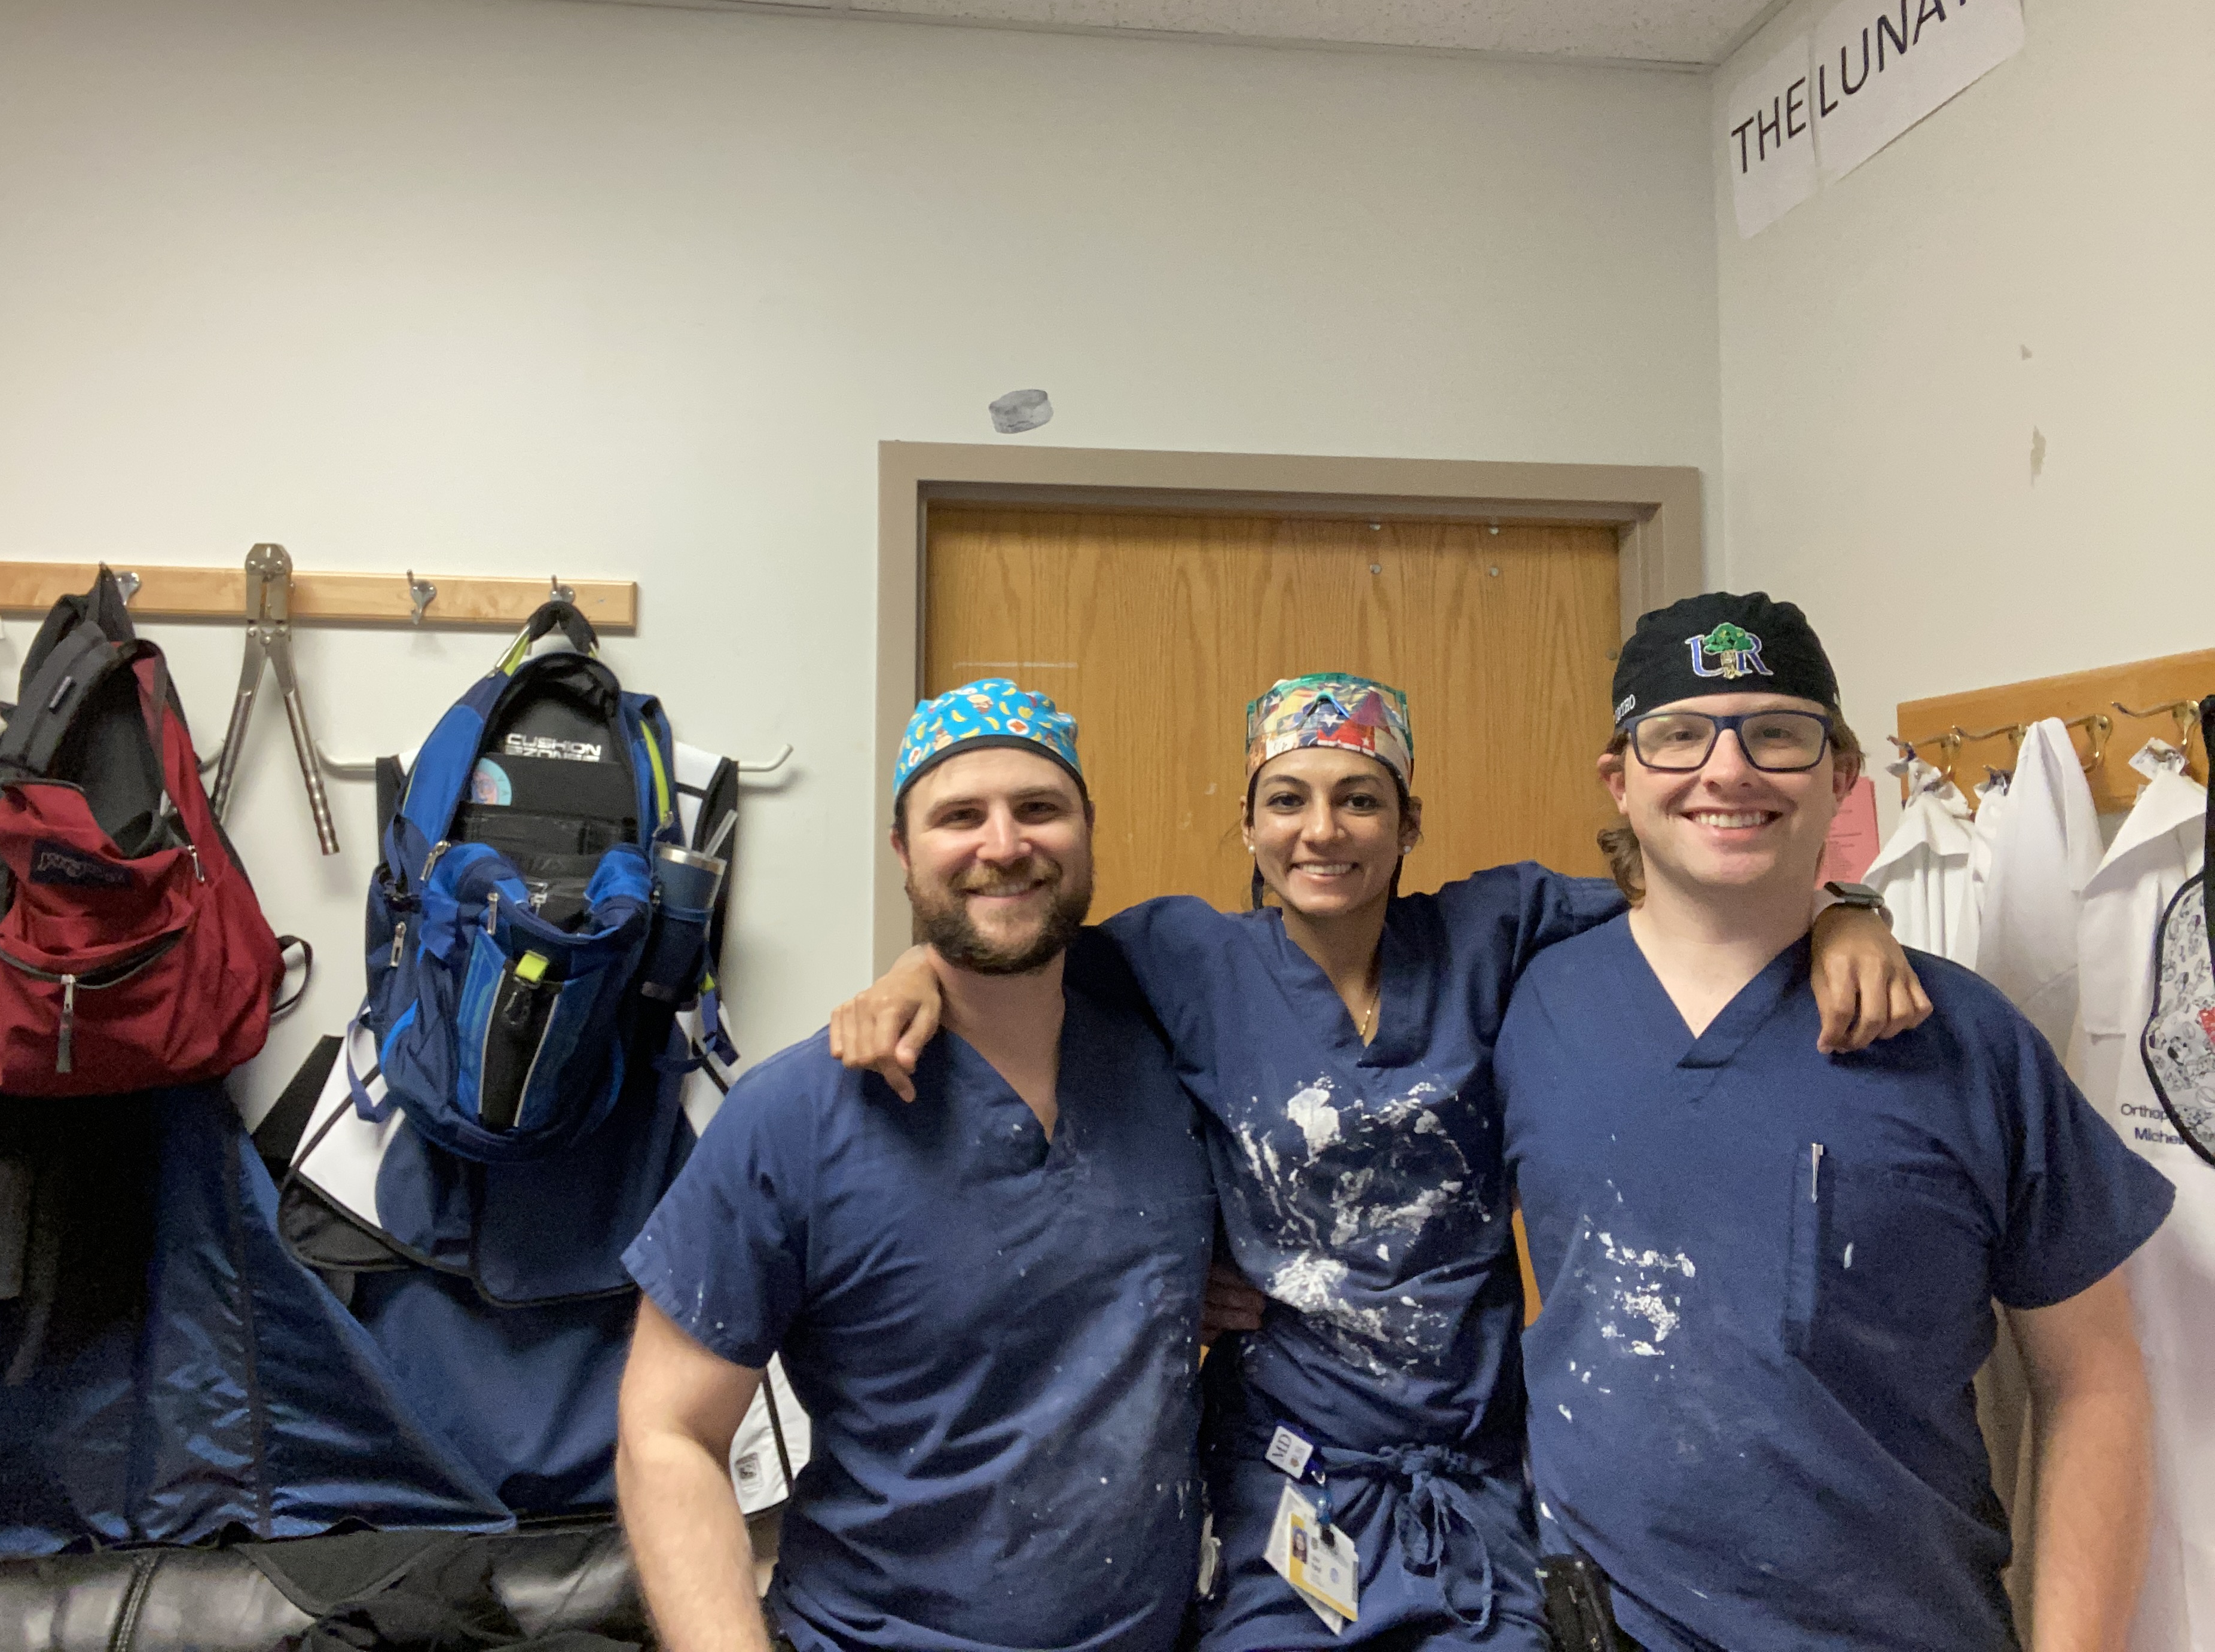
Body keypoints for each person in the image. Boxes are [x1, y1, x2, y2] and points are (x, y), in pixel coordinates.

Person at [830, 671, 1924, 1648]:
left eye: (1359, 799)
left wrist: (1845, 911)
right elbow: (1010, 950)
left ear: (1409, 823)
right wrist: (911, 972)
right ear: (1249, 824)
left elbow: (1703, 902)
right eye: (1287, 800)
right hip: (1282, 1468)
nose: (1323, 832)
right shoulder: (1180, 957)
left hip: (1477, 1468)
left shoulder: (1498, 930)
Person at [1497, 592, 2175, 1652]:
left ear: (1843, 773)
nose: (1728, 770)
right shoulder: (1528, 1003)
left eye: (1777, 733)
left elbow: (2093, 1379)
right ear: (1620, 779)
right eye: (1679, 735)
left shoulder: (1963, 1040)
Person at [616, 681, 1219, 1652]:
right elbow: (668, 1433)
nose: (1004, 845)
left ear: (1087, 833)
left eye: (1038, 808)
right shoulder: (797, 1117)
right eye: (959, 817)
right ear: (903, 851)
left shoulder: (1176, 1065)